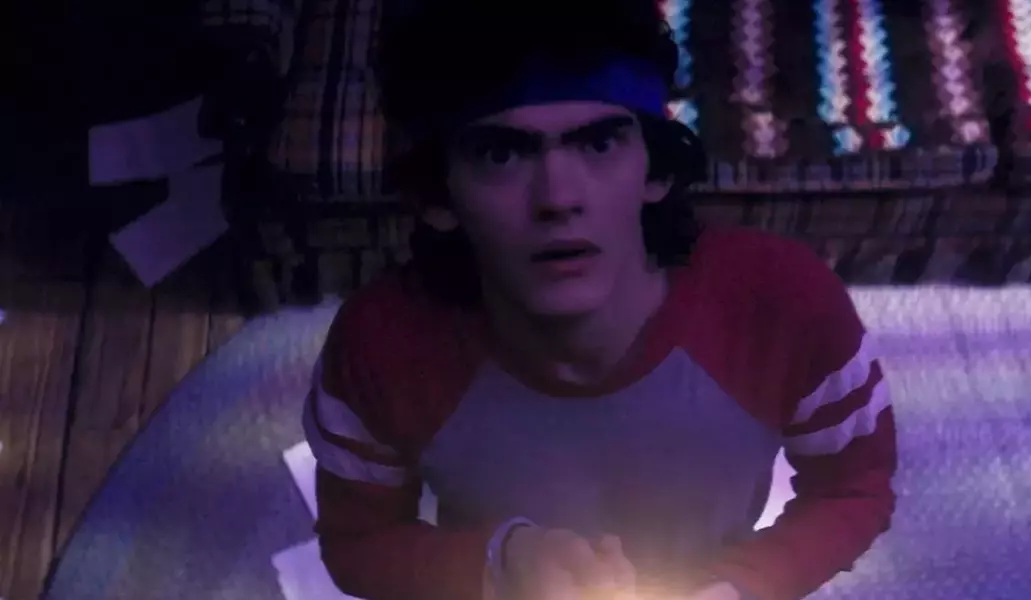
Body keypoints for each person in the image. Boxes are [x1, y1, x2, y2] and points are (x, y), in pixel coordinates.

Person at [301, 0, 898, 598]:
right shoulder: (380, 345)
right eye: (501, 154)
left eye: (598, 144)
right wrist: (496, 563)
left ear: (655, 170)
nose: (558, 198)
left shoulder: (783, 303)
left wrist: (742, 585)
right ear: (438, 196)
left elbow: (853, 489)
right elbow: (357, 542)